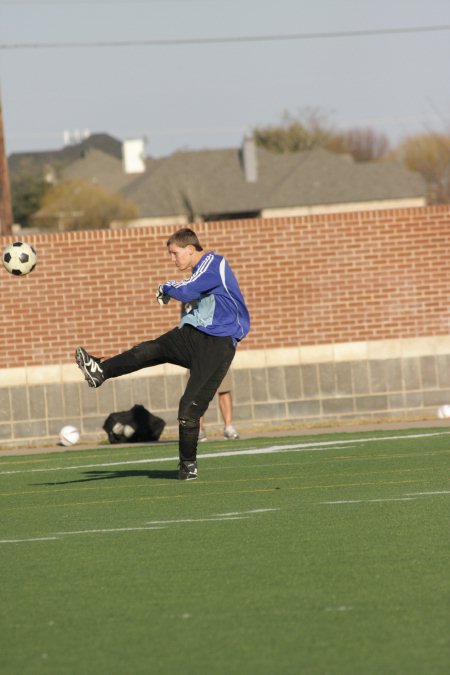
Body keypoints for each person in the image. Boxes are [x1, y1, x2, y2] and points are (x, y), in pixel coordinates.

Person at [75, 227, 250, 481]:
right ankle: (100, 371)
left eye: (174, 253)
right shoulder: (198, 271)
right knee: (150, 349)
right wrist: (170, 290)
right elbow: (191, 290)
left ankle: (188, 465)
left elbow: (188, 290)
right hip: (194, 334)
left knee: (188, 408)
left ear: (190, 249)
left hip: (218, 344)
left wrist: (166, 287)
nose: (172, 259)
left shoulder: (214, 262)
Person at [198, 370, 239, 441]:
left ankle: (228, 428)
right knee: (197, 392)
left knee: (224, 389)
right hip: (197, 360)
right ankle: (198, 430)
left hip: (218, 360)